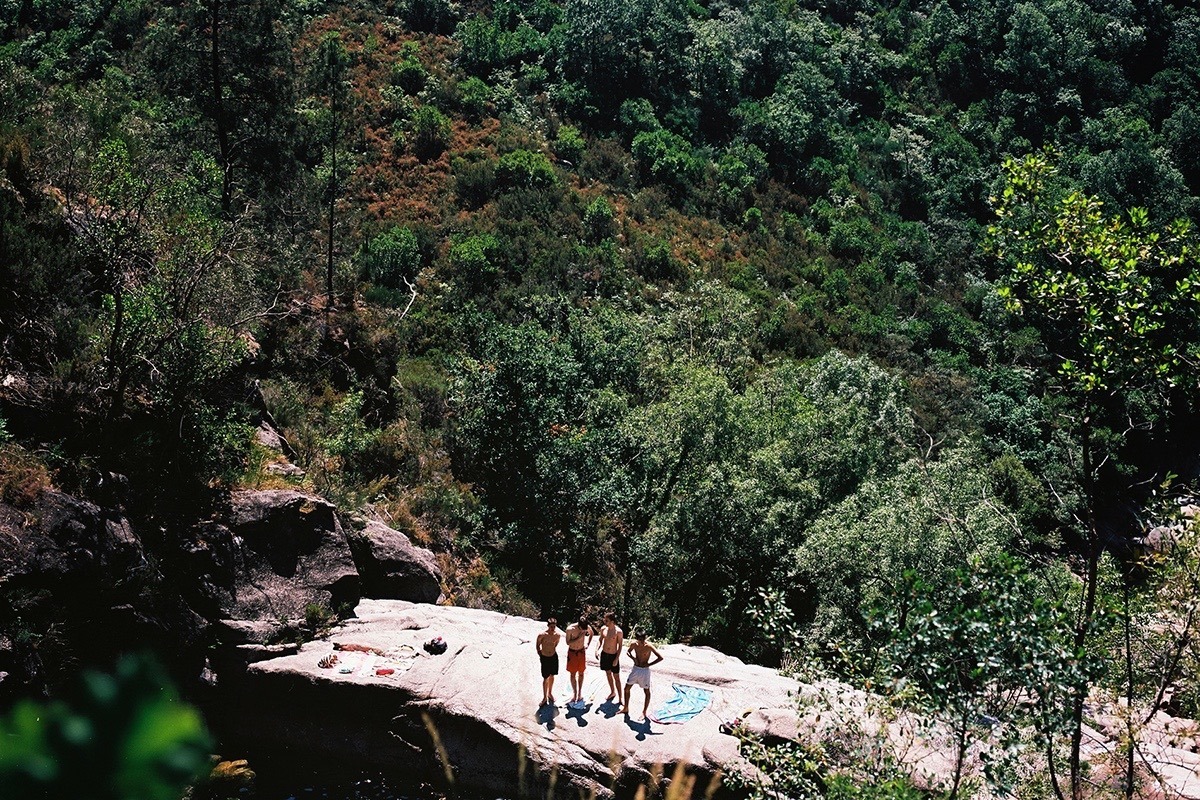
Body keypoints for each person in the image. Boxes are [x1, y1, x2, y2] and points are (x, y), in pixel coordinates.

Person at [620, 627, 663, 721]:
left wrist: (649, 664)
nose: (641, 641)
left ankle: (644, 712)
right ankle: (626, 708)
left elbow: (660, 657)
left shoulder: (649, 646)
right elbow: (628, 651)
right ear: (637, 639)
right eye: (640, 640)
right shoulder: (634, 645)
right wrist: (633, 658)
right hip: (635, 669)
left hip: (644, 671)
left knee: (646, 691)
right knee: (627, 688)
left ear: (645, 638)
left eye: (643, 639)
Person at [564, 615, 594, 706]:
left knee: (581, 672)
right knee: (573, 673)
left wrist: (587, 643)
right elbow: (568, 642)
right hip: (572, 652)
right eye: (582, 628)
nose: (583, 630)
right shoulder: (570, 629)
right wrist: (579, 637)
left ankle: (580, 693)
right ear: (578, 624)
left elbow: (591, 633)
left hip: (581, 651)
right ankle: (575, 693)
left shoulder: (586, 627)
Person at [595, 611, 624, 703]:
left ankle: (620, 698)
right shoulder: (603, 629)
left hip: (613, 655)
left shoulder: (618, 632)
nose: (605, 622)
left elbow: (620, 646)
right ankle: (612, 692)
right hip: (605, 654)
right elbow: (600, 640)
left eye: (607, 620)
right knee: (608, 673)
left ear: (612, 621)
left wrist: (616, 659)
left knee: (617, 677)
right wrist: (597, 650)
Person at [535, 617, 562, 706]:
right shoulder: (542, 635)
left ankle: (550, 693)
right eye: (551, 627)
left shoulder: (557, 635)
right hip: (545, 657)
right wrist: (541, 655)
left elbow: (556, 644)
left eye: (554, 627)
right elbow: (538, 646)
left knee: (552, 675)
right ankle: (544, 697)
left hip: (553, 657)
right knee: (545, 677)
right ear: (548, 626)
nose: (553, 628)